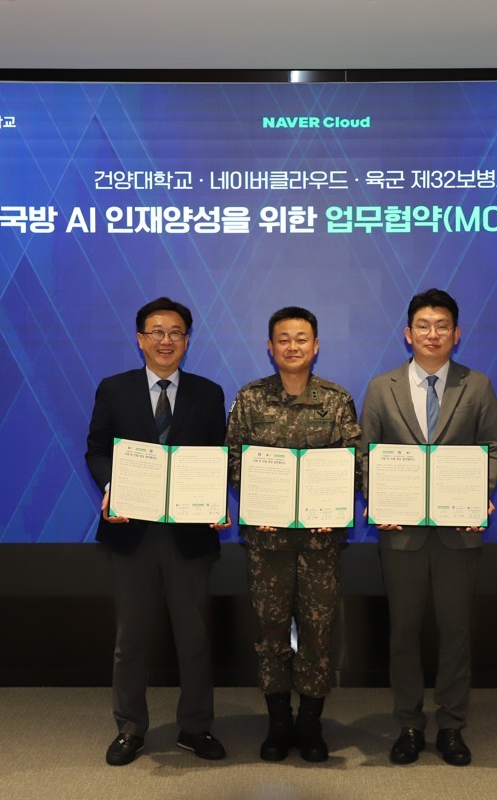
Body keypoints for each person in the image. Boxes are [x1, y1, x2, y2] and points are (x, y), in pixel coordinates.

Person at [359, 288, 497, 767]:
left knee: (455, 632)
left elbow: (493, 449)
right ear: (408, 334)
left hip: (457, 534)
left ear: (456, 334)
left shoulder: (477, 385)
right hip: (400, 532)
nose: (433, 333)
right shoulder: (381, 387)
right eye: (423, 325)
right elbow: (365, 454)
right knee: (403, 632)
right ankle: (408, 724)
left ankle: (451, 726)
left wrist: (478, 490)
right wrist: (378, 498)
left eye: (442, 325)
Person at [85, 297, 229, 766]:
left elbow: (218, 455)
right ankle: (130, 728)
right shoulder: (114, 388)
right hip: (132, 532)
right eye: (157, 332)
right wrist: (112, 487)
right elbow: (96, 449)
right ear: (140, 339)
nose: (166, 341)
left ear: (187, 340)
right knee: (131, 639)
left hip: (190, 533)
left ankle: (196, 727)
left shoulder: (208, 393)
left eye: (176, 333)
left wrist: (216, 500)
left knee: (195, 638)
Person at [225, 306, 362, 763]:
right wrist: (257, 501)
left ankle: (310, 721)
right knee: (271, 632)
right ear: (270, 347)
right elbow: (233, 459)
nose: (292, 346)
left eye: (301, 338)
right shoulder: (250, 399)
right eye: (283, 339)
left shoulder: (336, 400)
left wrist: (335, 505)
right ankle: (279, 720)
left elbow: (353, 462)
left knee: (318, 632)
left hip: (321, 543)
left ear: (316, 345)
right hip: (268, 543)